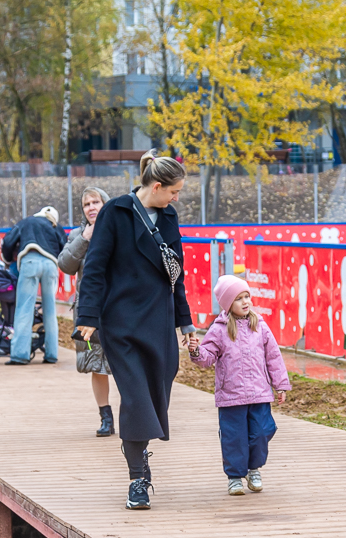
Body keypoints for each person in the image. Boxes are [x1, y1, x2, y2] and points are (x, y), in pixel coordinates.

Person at [75, 149, 195, 510]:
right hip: (121, 322)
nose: (176, 198)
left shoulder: (169, 216)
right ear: (156, 186)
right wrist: (87, 317)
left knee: (157, 392)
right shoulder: (117, 212)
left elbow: (177, 274)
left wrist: (185, 321)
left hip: (158, 320)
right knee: (136, 398)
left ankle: (140, 461)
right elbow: (95, 266)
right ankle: (138, 479)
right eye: (173, 191)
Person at [188, 276, 291, 495]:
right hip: (231, 395)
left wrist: (280, 385)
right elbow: (207, 358)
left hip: (260, 393)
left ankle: (254, 468)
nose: (245, 302)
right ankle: (235, 476)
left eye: (247, 296)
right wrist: (196, 350)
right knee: (234, 437)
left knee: (262, 431)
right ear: (227, 304)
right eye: (238, 299)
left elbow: (273, 357)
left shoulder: (260, 326)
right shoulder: (219, 330)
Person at [58, 186, 115, 437]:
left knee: (125, 366)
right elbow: (65, 265)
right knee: (97, 366)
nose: (91, 207)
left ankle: (135, 417)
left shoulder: (120, 231)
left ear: (106, 204)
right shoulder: (77, 235)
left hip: (117, 310)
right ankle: (106, 417)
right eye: (86, 204)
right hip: (89, 313)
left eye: (96, 202)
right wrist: (84, 238)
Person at [1, 206, 67, 365]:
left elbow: (8, 242)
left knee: (25, 307)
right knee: (50, 310)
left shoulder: (27, 221)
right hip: (51, 265)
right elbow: (65, 247)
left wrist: (9, 259)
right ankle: (51, 354)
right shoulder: (55, 226)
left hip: (30, 262)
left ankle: (20, 355)